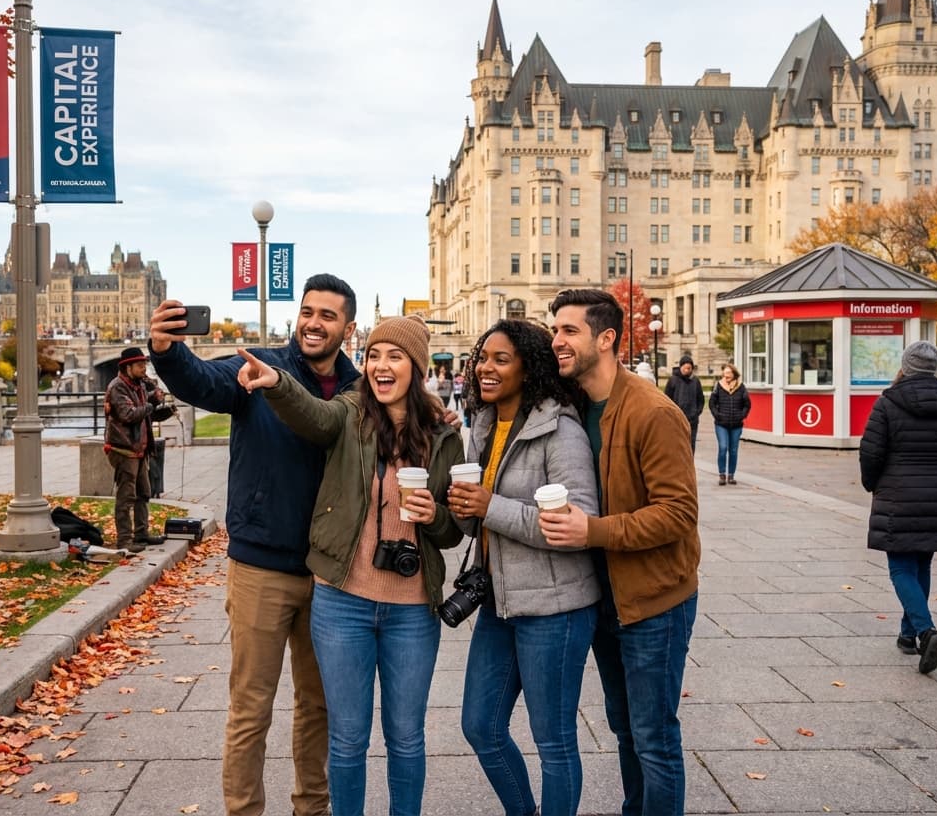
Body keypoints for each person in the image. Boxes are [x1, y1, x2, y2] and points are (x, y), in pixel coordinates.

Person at [148, 273, 362, 816]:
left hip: (330, 577)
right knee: (251, 709)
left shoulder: (362, 389)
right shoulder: (259, 365)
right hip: (262, 568)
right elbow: (202, 382)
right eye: (308, 311)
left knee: (319, 707)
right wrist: (167, 353)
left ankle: (310, 808)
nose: (314, 323)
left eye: (328, 315)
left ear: (348, 328)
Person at [237, 315, 463, 816]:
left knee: (406, 737)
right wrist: (277, 384)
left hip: (411, 611)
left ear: (417, 368)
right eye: (375, 355)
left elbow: (453, 533)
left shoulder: (444, 435)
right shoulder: (349, 413)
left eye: (395, 357)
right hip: (343, 604)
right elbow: (311, 415)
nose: (381, 366)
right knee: (347, 739)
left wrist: (435, 515)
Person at [540, 289, 699, 816]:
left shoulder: (653, 411)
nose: (557, 340)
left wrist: (594, 532)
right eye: (555, 329)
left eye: (569, 331)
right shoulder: (575, 406)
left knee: (653, 734)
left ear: (606, 339)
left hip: (654, 600)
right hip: (603, 599)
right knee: (625, 726)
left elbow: (678, 514)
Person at [450, 319, 599, 816]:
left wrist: (488, 506)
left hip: (555, 609)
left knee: (553, 741)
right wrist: (463, 510)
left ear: (528, 367)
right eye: (481, 358)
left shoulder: (561, 430)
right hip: (500, 601)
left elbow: (578, 524)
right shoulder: (486, 425)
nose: (484, 369)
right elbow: (481, 523)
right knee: (480, 726)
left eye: (500, 359)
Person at [858, 341, 937, 674]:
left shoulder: (887, 403)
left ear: (906, 366)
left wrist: (872, 484)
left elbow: (871, 452)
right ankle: (908, 634)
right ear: (935, 368)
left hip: (898, 495)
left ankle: (925, 630)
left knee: (901, 568)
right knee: (922, 564)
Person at [103, 346, 173, 553]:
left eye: (145, 364)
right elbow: (128, 415)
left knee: (144, 492)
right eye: (140, 365)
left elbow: (145, 417)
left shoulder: (139, 385)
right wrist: (151, 402)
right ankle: (124, 541)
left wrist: (165, 410)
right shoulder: (117, 387)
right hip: (123, 448)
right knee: (126, 496)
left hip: (140, 448)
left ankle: (141, 533)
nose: (144, 369)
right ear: (128, 367)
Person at [708, 363, 751, 485]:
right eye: (724, 373)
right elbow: (712, 403)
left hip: (736, 425)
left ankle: (731, 475)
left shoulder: (741, 387)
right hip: (721, 423)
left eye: (728, 373)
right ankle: (722, 474)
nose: (725, 376)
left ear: (733, 374)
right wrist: (717, 415)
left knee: (733, 450)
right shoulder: (719, 386)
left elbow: (747, 404)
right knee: (723, 447)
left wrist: (742, 415)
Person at [663, 354, 705, 451]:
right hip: (676, 419)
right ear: (680, 367)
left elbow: (700, 399)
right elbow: (666, 399)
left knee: (691, 444)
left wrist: (696, 412)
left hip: (692, 420)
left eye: (689, 368)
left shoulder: (696, 381)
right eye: (685, 368)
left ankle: (689, 465)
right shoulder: (673, 380)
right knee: (677, 444)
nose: (687, 370)